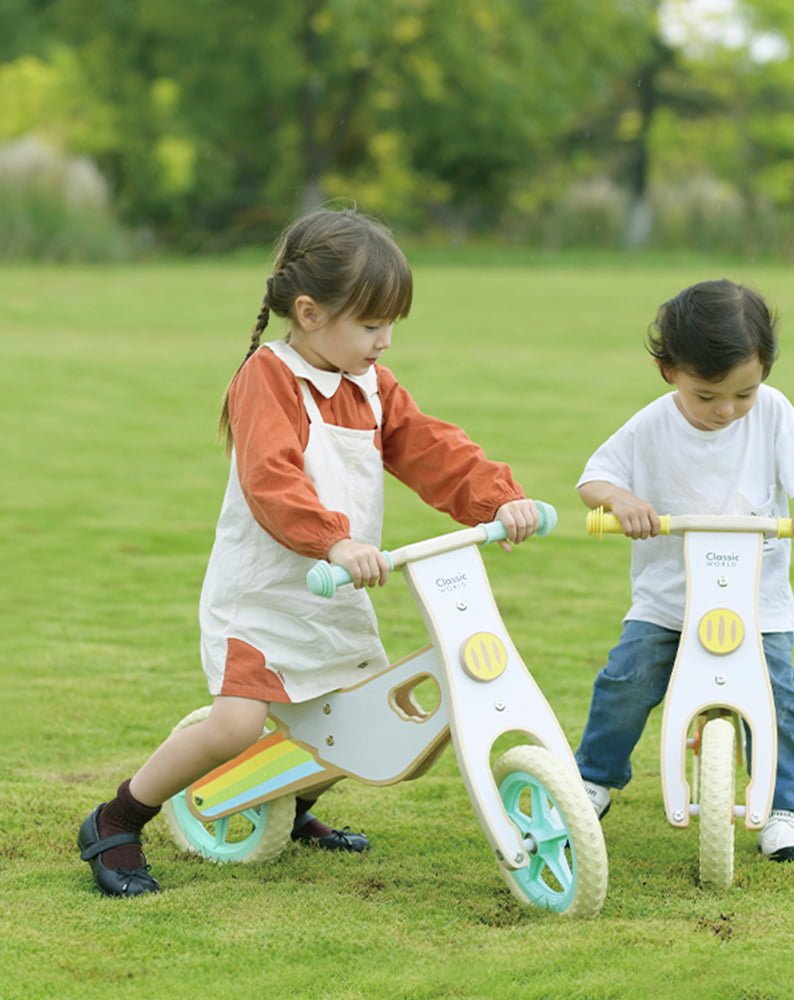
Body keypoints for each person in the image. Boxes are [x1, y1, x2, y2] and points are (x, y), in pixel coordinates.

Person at [78, 208, 540, 897]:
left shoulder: (372, 386)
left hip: (335, 588)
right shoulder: (269, 378)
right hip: (265, 594)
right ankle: (117, 819)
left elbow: (429, 447)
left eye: (392, 327)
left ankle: (292, 807)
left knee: (355, 720)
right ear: (310, 312)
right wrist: (337, 539)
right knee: (236, 724)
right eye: (372, 325)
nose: (385, 342)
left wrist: (496, 497)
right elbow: (272, 478)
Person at [574, 278, 794, 862]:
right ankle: (593, 777)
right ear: (668, 370)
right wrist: (620, 501)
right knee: (627, 680)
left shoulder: (771, 414)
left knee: (779, 698)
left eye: (743, 394)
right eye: (707, 396)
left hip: (757, 601)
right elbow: (594, 477)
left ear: (764, 372)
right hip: (669, 599)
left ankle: (782, 809)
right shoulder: (650, 426)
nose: (727, 410)